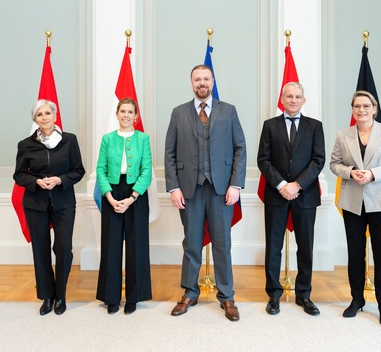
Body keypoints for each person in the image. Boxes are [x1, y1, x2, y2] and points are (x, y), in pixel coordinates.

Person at [164, 64, 247, 322]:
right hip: (189, 189)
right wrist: (174, 187)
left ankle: (227, 295)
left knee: (222, 244)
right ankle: (190, 292)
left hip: (221, 189)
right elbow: (170, 153)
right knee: (191, 243)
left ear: (212, 81)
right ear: (191, 83)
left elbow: (240, 149)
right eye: (197, 79)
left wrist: (235, 185)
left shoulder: (228, 111)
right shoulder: (178, 113)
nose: (202, 83)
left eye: (206, 79)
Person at [329, 90, 381, 328]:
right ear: (352, 110)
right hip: (353, 202)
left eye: (365, 106)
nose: (361, 110)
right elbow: (334, 164)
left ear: (374, 109)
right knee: (355, 253)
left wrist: (373, 173)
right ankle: (357, 299)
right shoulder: (343, 135)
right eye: (357, 106)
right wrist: (350, 172)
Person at [257, 82, 325, 316]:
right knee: (273, 247)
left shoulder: (315, 126)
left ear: (303, 100)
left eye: (297, 96)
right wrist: (282, 185)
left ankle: (304, 294)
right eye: (289, 96)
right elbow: (263, 160)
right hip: (276, 195)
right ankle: (274, 295)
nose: (293, 100)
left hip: (305, 195)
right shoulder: (270, 126)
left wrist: (297, 185)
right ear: (282, 99)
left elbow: (318, 160)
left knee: (305, 247)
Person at [13, 99, 85, 315]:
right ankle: (47, 296)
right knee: (40, 249)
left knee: (63, 249)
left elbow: (79, 171)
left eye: (47, 113)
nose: (44, 118)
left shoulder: (69, 140)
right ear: (35, 120)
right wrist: (36, 181)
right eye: (40, 115)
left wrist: (60, 180)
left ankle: (60, 295)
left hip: (64, 203)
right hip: (35, 204)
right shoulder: (25, 145)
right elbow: (19, 175)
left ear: (55, 116)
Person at [95, 98, 153, 315]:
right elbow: (100, 169)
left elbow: (146, 170)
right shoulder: (107, 139)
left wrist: (132, 197)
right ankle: (111, 297)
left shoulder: (143, 139)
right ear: (117, 114)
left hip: (136, 194)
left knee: (137, 246)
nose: (126, 115)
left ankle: (133, 297)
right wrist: (109, 197)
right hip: (112, 192)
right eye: (123, 111)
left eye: (130, 112)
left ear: (136, 116)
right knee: (111, 245)